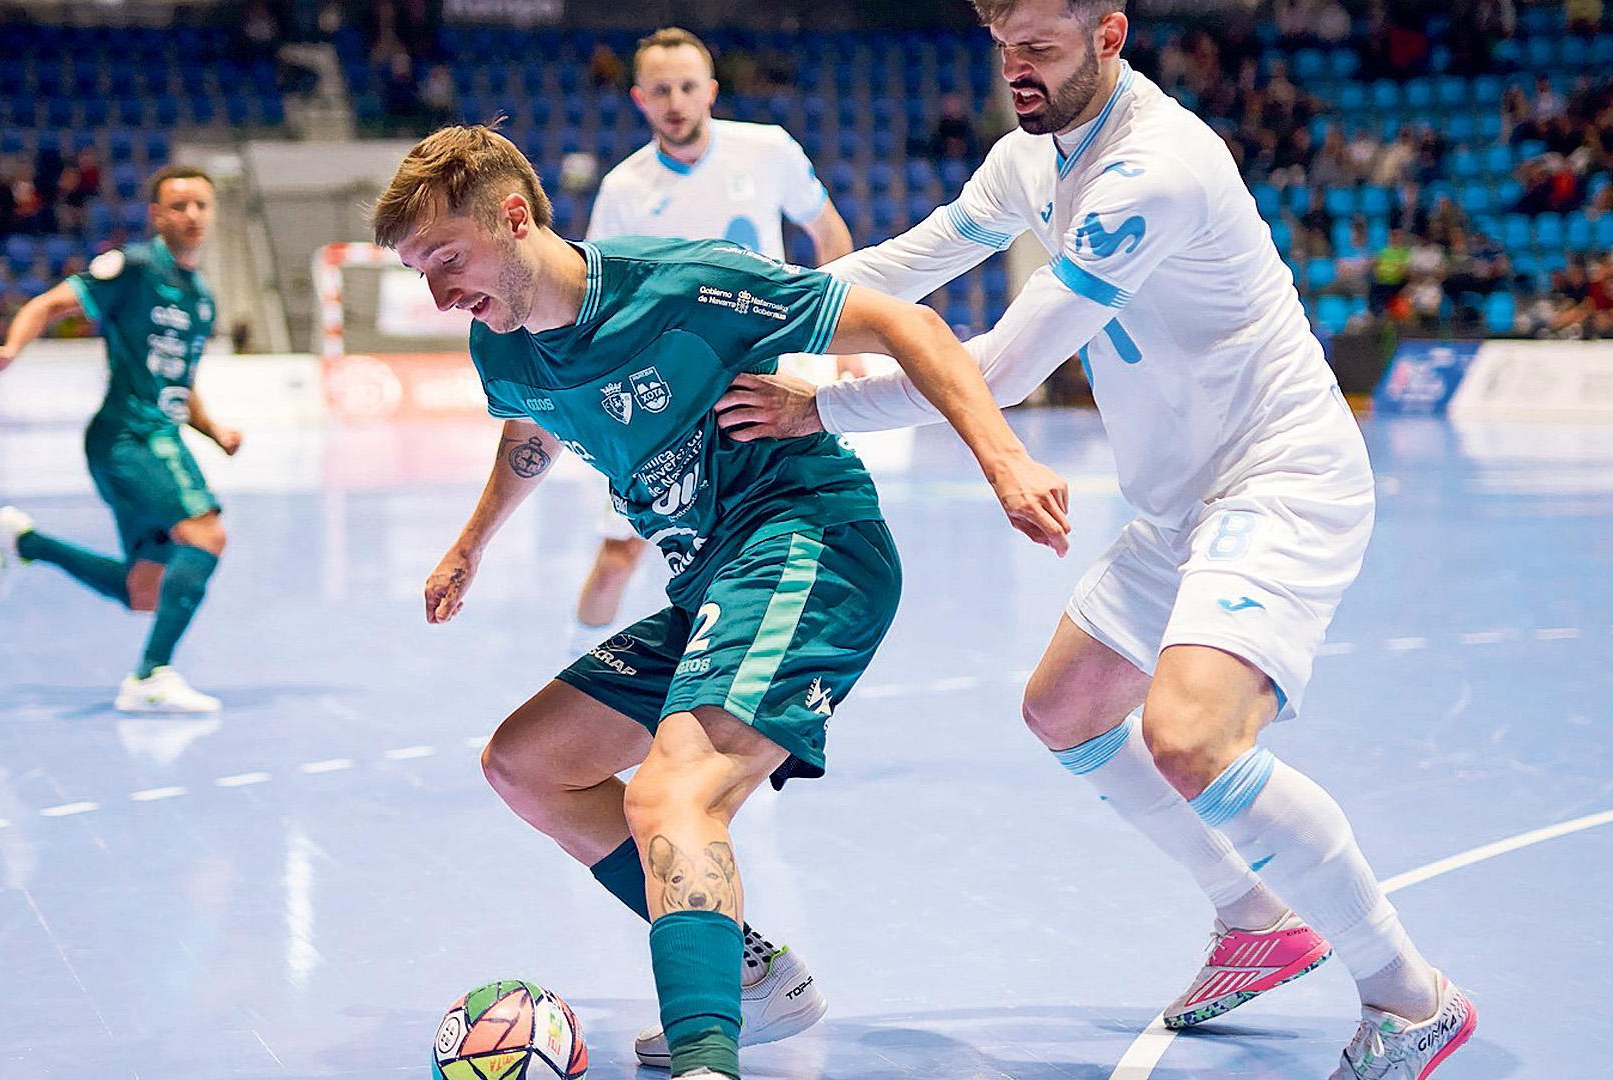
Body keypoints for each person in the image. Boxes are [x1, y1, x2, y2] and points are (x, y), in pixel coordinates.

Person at [711, 2, 1475, 1076]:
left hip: (1277, 478)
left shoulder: (1152, 168)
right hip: (1178, 501)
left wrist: (816, 406)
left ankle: (1412, 996)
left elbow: (1010, 367)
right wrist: (744, 309)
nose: (1016, 70)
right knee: (1066, 708)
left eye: (1041, 49)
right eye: (1004, 48)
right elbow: (916, 258)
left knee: (1194, 739)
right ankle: (1253, 919)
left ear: (1110, 36)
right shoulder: (1033, 156)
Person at [370, 124, 1066, 1080]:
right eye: (421, 273)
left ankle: (707, 1059)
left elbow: (911, 326)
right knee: (528, 765)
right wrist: (469, 545)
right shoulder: (504, 351)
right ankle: (749, 973)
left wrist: (1006, 458)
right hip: (708, 581)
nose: (440, 291)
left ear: (513, 217)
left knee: (672, 792)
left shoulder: (684, 285)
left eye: (446, 258)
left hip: (807, 540)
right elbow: (531, 435)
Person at [567, 26, 858, 660]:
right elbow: (598, 297)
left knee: (774, 538)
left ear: (711, 92)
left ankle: (767, 681)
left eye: (688, 87)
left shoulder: (767, 151)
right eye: (661, 90)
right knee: (620, 555)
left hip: (760, 385)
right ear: (640, 99)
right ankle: (575, 674)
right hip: (662, 402)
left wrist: (842, 338)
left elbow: (826, 229)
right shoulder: (623, 190)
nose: (676, 101)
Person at [0, 166, 240, 714]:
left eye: (200, 206)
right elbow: (49, 304)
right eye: (179, 205)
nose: (191, 215)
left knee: (146, 592)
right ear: (157, 216)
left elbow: (179, 385)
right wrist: (10, 350)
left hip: (155, 436)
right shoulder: (134, 268)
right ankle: (151, 676)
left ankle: (26, 543)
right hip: (130, 437)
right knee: (207, 537)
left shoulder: (202, 297)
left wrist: (215, 432)